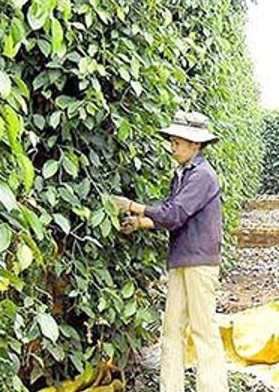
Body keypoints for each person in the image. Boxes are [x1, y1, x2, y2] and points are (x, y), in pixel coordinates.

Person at [111, 110, 227, 392]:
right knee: (172, 329)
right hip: (182, 259)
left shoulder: (202, 175)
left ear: (195, 144)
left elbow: (174, 214)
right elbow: (171, 216)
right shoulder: (183, 174)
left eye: (178, 142)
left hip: (199, 261)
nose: (173, 147)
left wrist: (131, 206)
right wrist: (140, 223)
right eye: (173, 141)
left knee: (203, 330)